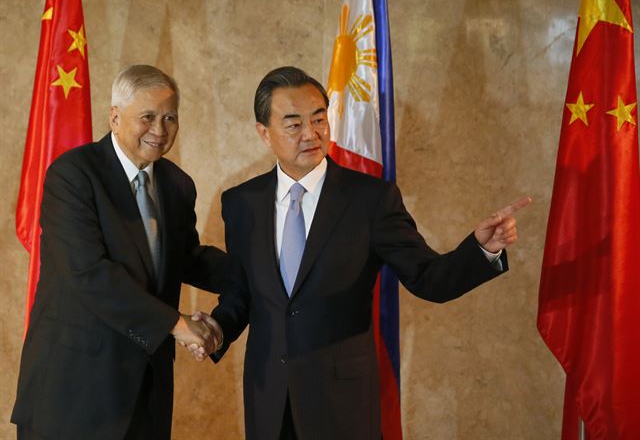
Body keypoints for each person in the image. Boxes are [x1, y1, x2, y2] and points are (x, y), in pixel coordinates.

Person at [197, 66, 531, 440]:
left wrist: (482, 248)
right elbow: (245, 293)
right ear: (264, 133)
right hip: (270, 400)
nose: (311, 134)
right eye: (293, 124)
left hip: (342, 403)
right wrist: (217, 328)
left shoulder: (370, 199)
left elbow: (428, 278)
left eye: (319, 119)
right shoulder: (242, 203)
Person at [11, 65, 228, 440]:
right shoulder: (73, 175)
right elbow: (89, 274)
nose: (160, 130)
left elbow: (185, 258)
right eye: (147, 117)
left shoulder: (177, 185)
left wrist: (263, 270)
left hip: (146, 395)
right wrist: (177, 325)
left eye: (170, 117)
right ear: (115, 117)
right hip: (73, 396)